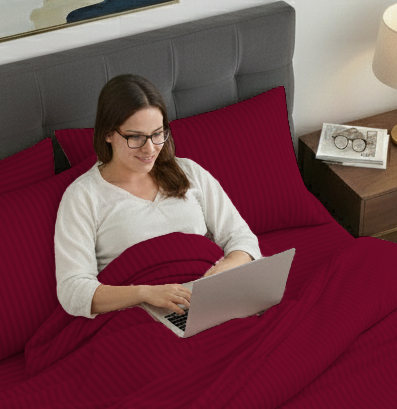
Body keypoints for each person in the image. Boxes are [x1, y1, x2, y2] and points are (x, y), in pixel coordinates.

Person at [54, 74, 260, 318]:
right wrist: (145, 293)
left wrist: (229, 265)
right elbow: (73, 291)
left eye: (158, 134)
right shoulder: (83, 196)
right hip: (138, 316)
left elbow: (241, 237)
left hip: (206, 302)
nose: (150, 148)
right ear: (108, 134)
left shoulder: (189, 172)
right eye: (136, 137)